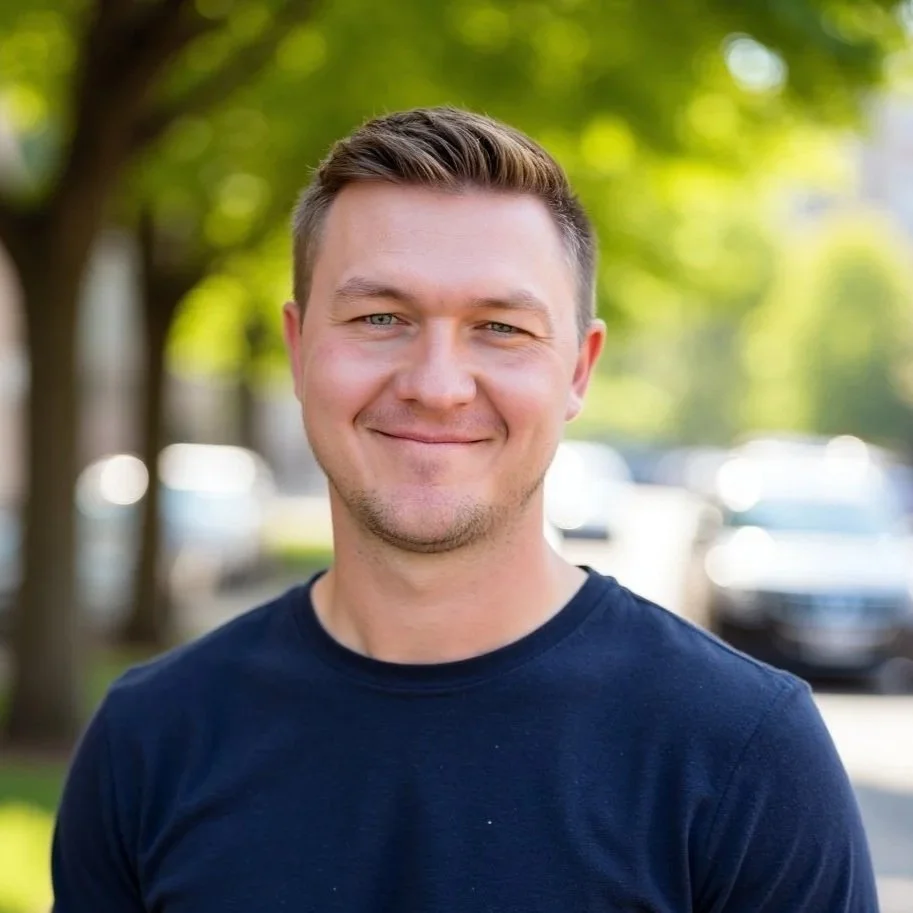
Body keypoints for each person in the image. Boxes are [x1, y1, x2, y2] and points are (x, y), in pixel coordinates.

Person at [51, 106, 879, 912]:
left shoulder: (740, 752)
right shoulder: (151, 741)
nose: (437, 386)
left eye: (499, 327)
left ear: (579, 370)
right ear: (300, 348)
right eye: (381, 317)